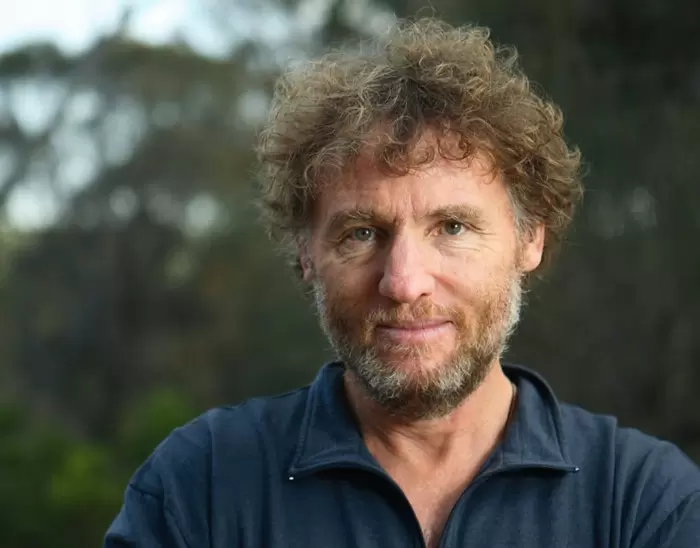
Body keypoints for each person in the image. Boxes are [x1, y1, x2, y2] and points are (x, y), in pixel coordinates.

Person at [104, 17, 700, 548]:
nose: (404, 283)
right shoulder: (198, 489)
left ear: (530, 239)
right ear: (307, 254)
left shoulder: (645, 504)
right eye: (362, 233)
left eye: (453, 227)